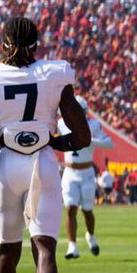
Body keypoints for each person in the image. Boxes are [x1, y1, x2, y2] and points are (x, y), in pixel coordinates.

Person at [0, 16, 91, 273]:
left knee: (7, 252)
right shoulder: (53, 73)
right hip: (43, 164)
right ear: (37, 45)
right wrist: (52, 141)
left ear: (3, 43)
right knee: (44, 249)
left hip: (7, 166)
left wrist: (0, 144)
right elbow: (82, 135)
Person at [58, 96, 114, 259]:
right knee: (70, 209)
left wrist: (91, 140)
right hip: (69, 172)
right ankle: (72, 246)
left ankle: (90, 235)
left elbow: (110, 143)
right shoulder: (62, 123)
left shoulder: (93, 125)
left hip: (87, 172)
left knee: (87, 211)